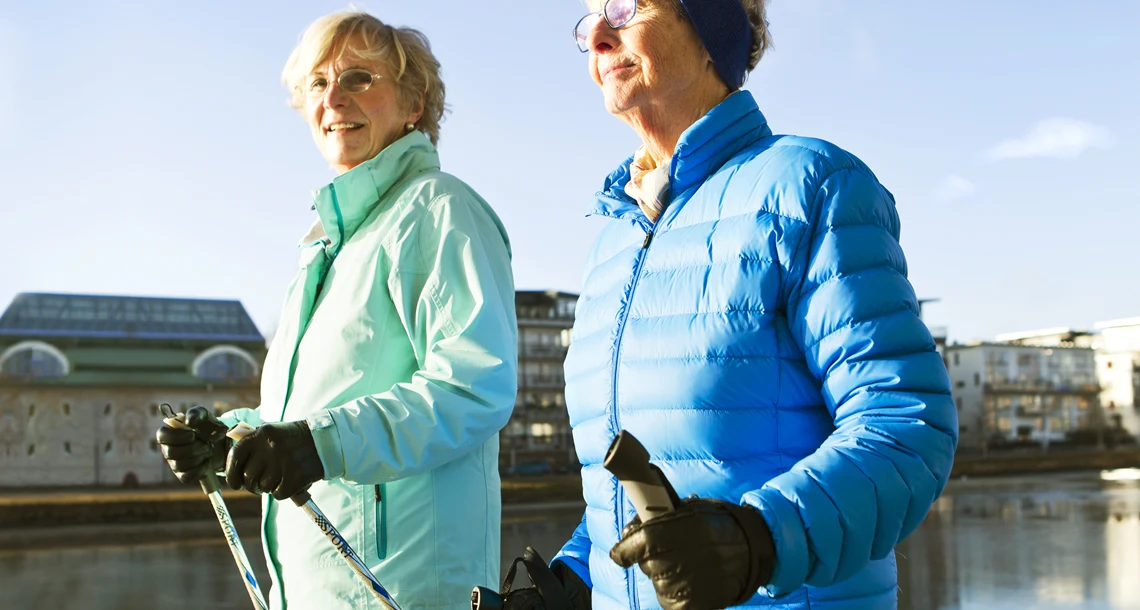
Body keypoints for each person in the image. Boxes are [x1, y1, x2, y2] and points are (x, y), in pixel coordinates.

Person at [497, 1, 958, 609]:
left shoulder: (811, 185)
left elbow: (904, 427)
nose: (600, 36)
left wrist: (758, 541)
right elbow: (631, 491)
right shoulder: (613, 240)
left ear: (709, 23)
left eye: (623, 6)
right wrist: (576, 576)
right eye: (586, 22)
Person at [156, 11, 518, 609]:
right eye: (319, 84)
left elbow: (473, 388)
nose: (335, 99)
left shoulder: (439, 210)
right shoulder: (326, 246)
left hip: (404, 590)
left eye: (359, 79)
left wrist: (317, 444)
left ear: (413, 102)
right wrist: (227, 441)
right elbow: (299, 416)